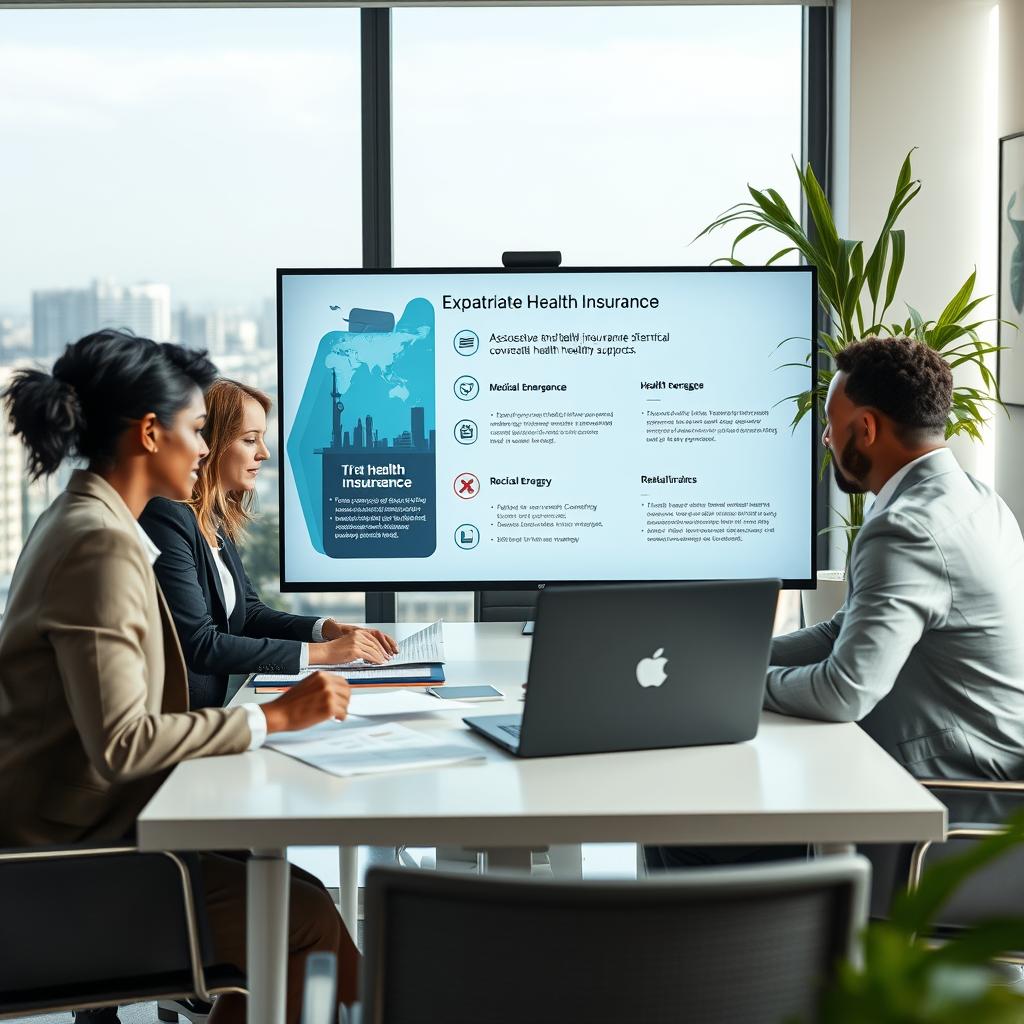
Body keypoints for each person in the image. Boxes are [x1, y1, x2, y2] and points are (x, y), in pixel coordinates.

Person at [0, 330, 359, 1024]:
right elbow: (124, 744)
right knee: (303, 914)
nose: (204, 447)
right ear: (149, 433)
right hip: (65, 878)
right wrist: (274, 719)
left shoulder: (87, 520)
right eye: (197, 429)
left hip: (86, 847)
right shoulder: (99, 545)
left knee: (295, 898)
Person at [647, 335, 1024, 872]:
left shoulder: (905, 527)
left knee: (688, 827)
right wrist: (730, 658)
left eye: (831, 423)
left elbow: (844, 692)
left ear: (865, 429)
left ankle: (720, 959)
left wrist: (723, 686)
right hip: (992, 787)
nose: (825, 437)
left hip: (948, 811)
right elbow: (840, 632)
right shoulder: (977, 499)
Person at [139, 378, 397, 711]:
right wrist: (320, 655)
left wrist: (325, 630)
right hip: (180, 721)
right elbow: (199, 644)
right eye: (250, 440)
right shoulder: (167, 518)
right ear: (210, 442)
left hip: (212, 713)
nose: (264, 452)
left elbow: (249, 614)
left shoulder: (214, 520)